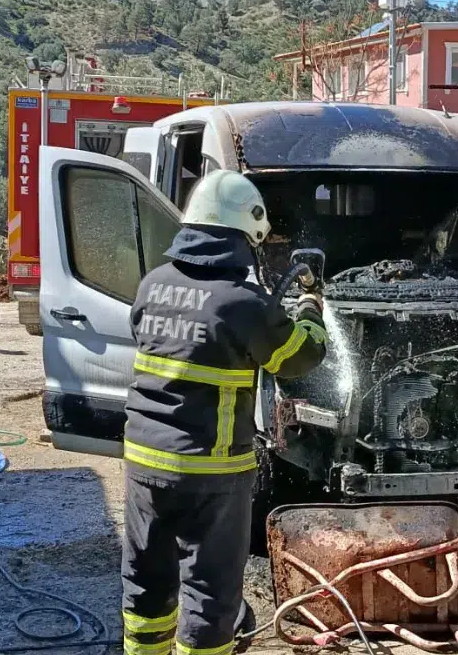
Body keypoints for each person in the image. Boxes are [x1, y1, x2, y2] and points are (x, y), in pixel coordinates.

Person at [121, 169, 327, 655]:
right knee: (209, 593)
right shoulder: (243, 303)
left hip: (145, 461)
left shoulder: (153, 285)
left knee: (146, 580)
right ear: (244, 236)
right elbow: (300, 357)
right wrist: (310, 308)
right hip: (209, 472)